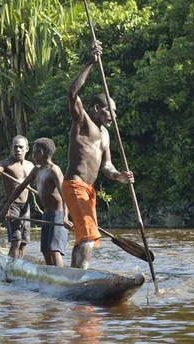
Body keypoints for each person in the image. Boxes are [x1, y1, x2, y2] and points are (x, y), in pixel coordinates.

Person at [62, 41, 134, 269]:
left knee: (85, 236)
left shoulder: (105, 136)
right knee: (89, 235)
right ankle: (81, 279)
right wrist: (91, 63)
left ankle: (74, 274)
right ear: (95, 108)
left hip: (89, 189)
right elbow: (72, 93)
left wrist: (119, 176)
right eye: (109, 110)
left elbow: (107, 166)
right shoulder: (83, 122)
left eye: (114, 111)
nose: (113, 114)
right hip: (74, 184)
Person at [0, 138, 73, 266]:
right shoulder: (37, 170)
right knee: (45, 251)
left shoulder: (54, 170)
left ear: (41, 152)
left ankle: (60, 278)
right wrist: (6, 207)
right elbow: (20, 189)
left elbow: (65, 195)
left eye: (34, 152)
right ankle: (51, 277)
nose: (32, 155)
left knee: (54, 250)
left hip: (58, 215)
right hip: (46, 215)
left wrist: (65, 217)